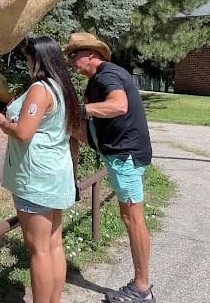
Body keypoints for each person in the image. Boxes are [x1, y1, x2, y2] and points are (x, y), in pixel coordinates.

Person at [64, 32, 155, 303]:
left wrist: (85, 110)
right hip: (115, 150)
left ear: (91, 54)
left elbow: (119, 105)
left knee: (132, 219)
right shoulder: (97, 79)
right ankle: (71, 180)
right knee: (69, 128)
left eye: (73, 55)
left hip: (124, 156)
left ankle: (142, 288)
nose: (70, 61)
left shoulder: (106, 76)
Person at [0, 35, 80, 303]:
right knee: (53, 244)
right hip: (56, 175)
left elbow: (23, 132)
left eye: (28, 59)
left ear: (37, 60)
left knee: (39, 249)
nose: (27, 64)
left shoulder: (41, 89)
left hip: (35, 178)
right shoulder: (62, 88)